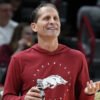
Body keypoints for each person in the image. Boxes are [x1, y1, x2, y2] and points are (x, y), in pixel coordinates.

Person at [3, 3, 94, 100]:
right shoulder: (18, 59)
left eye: (56, 18)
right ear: (34, 27)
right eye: (46, 18)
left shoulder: (77, 57)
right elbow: (7, 96)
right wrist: (24, 99)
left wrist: (89, 94)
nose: (52, 21)